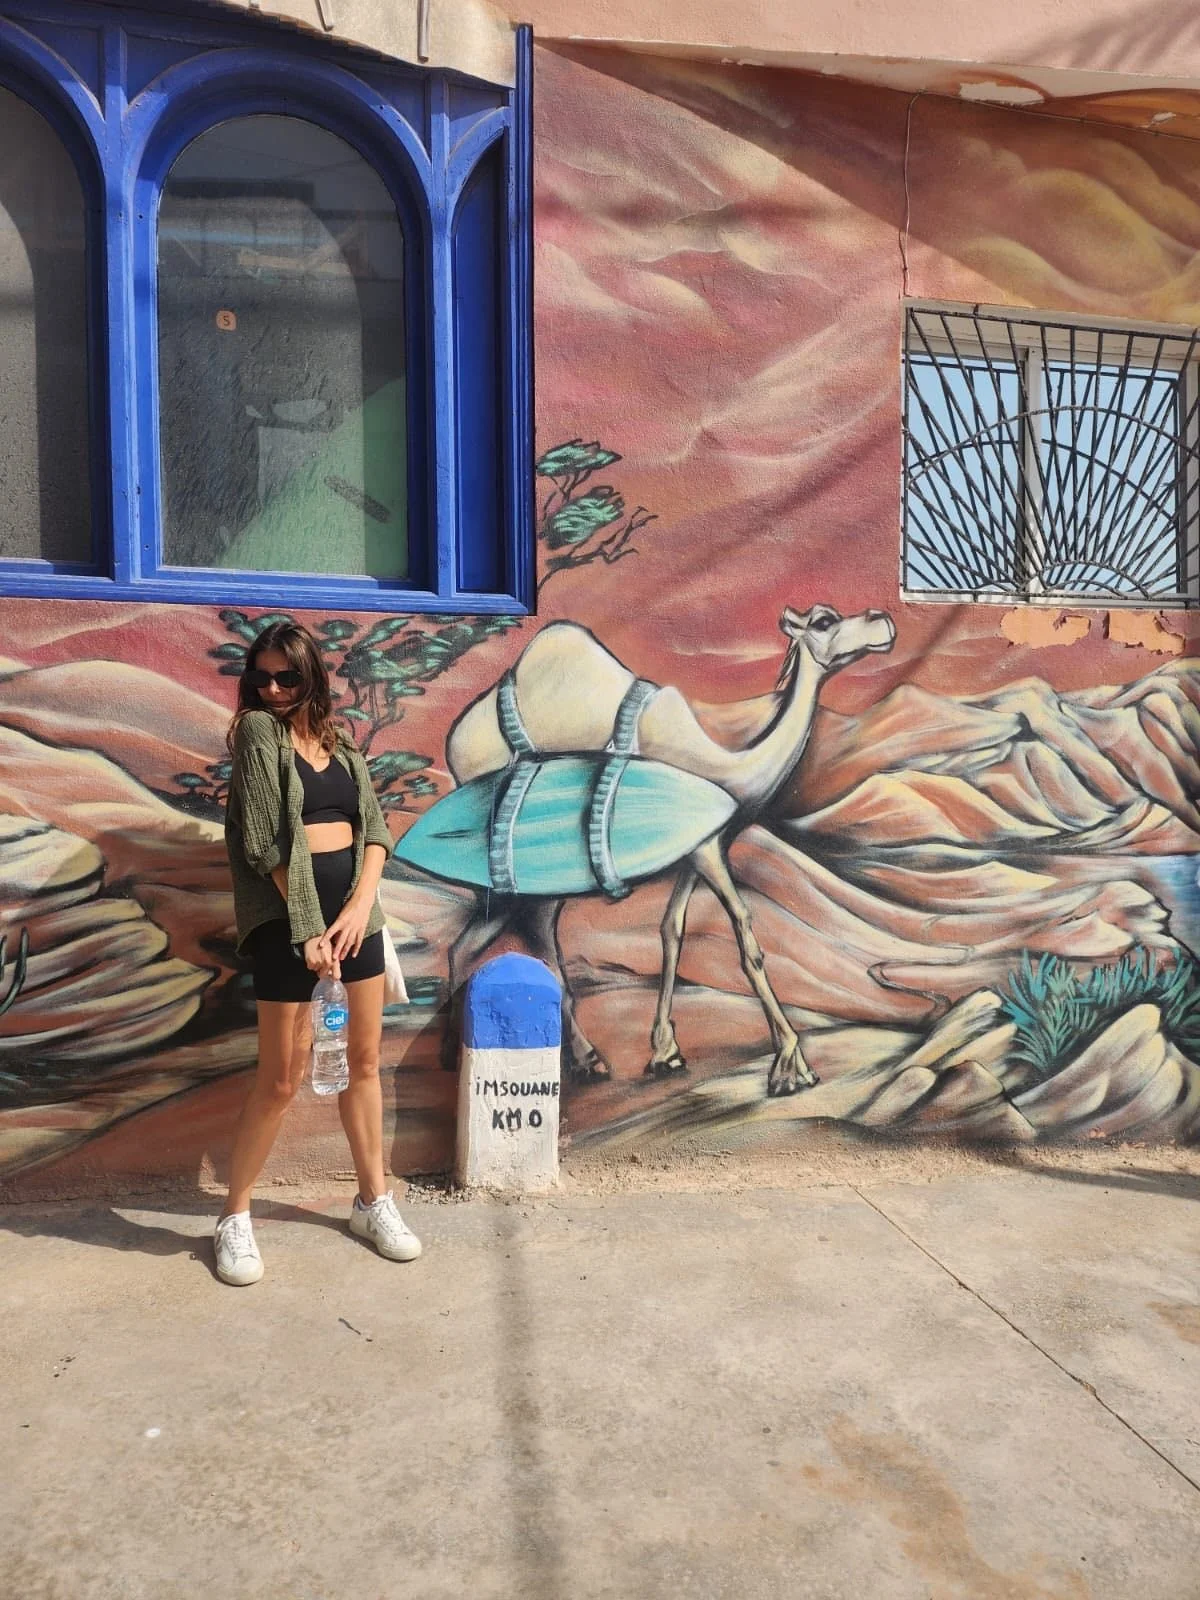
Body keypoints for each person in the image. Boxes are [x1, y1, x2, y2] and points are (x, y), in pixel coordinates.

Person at [215, 619, 421, 1286]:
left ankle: (373, 1202)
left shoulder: (342, 747)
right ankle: (235, 1218)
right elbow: (263, 841)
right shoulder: (258, 735)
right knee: (281, 1077)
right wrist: (308, 930)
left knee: (362, 1063)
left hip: (356, 927)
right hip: (288, 928)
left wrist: (359, 911)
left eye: (287, 676)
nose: (271, 688)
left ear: (312, 678)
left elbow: (377, 831)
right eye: (261, 676)